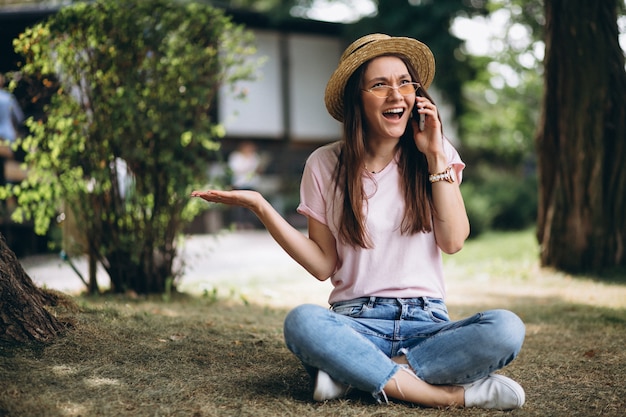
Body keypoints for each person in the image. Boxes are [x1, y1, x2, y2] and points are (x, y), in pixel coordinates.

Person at [191, 34, 525, 410]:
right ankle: (447, 395)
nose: (395, 94)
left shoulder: (435, 153)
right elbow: (322, 266)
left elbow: (453, 240)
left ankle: (353, 375)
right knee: (303, 322)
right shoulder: (323, 164)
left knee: (506, 328)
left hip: (427, 322)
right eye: (379, 85)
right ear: (357, 99)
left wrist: (434, 155)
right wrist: (262, 208)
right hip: (356, 322)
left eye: (404, 83)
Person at [0, 73, 25, 185]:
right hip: (8, 136)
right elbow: (19, 117)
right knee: (9, 166)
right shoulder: (8, 98)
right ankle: (10, 193)